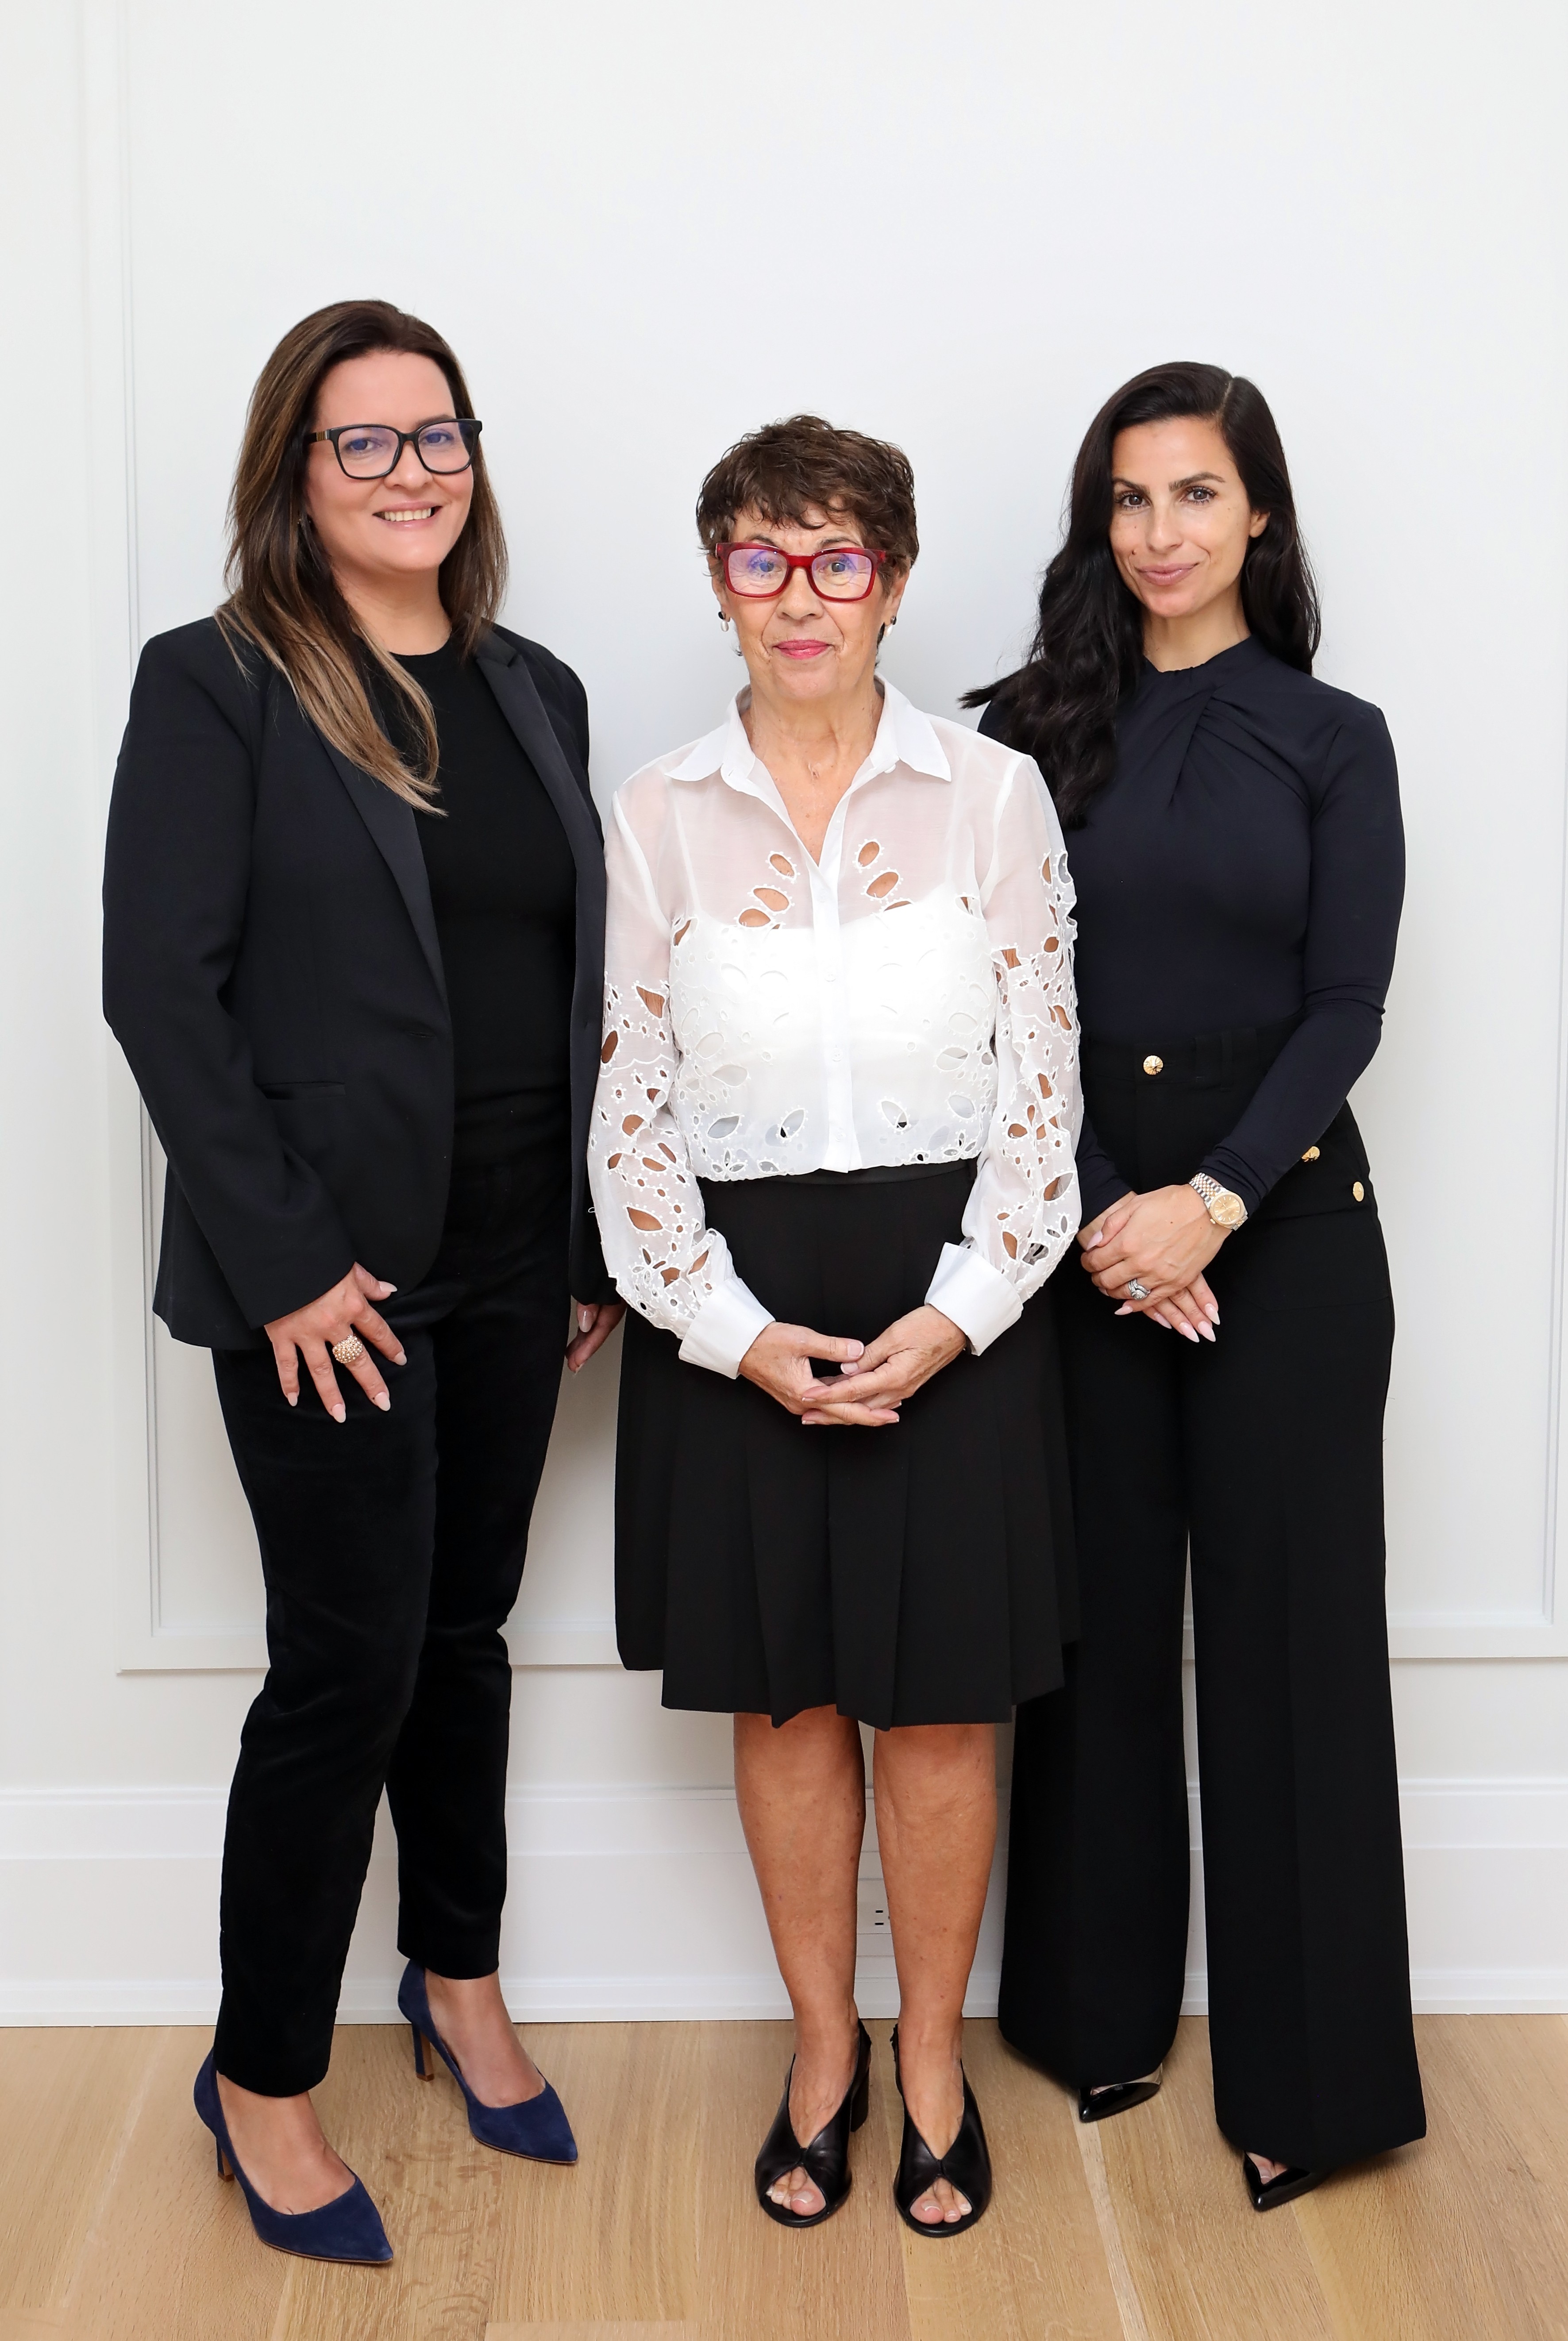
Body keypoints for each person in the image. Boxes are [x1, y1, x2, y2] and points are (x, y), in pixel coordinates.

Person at [102, 300, 622, 2264]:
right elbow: (158, 988)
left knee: (463, 1634)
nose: (413, 472)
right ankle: (262, 2076)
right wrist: (290, 1260)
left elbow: (571, 987)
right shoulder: (223, 684)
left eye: (439, 435)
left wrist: (580, 1242)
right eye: (365, 443)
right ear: (294, 480)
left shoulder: (538, 692)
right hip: (324, 1276)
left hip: (514, 1258)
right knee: (344, 1670)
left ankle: (457, 1976)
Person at [589, 415, 1081, 2237]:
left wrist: (958, 1317)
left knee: (941, 1716)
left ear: (893, 582)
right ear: (720, 584)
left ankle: (933, 2061)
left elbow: (1047, 1088)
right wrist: (727, 1331)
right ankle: (822, 2055)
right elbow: (625, 1100)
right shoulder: (655, 811)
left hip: (961, 1300)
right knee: (791, 1703)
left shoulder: (990, 795)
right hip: (740, 1317)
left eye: (839, 558)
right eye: (762, 559)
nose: (801, 596)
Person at [970, 361, 1425, 2210]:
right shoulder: (1016, 739)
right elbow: (998, 1006)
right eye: (1129, 500)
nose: (1160, 533)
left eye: (1196, 495)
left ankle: (1308, 2084)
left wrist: (1210, 1207)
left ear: (1259, 517)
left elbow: (1346, 1007)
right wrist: (1106, 1220)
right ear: (1101, 525)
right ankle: (1094, 2025)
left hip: (1287, 1243)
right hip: (1082, 1251)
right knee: (1083, 1644)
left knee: (1292, 1649)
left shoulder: (1335, 739)